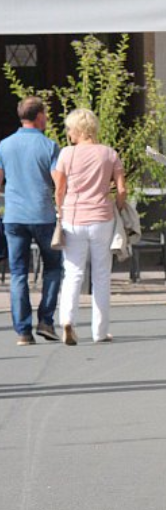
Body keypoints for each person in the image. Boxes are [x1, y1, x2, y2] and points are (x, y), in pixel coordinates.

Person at [53, 108, 126, 345]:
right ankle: (100, 331)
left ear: (78, 129)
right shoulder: (109, 154)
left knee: (73, 273)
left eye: (70, 128)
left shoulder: (66, 154)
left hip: (73, 218)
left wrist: (60, 209)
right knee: (101, 275)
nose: (68, 133)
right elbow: (122, 190)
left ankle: (67, 320)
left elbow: (60, 189)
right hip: (102, 218)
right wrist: (120, 208)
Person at [0, 96, 62, 346]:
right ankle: (46, 320)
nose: (46, 119)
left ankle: (23, 331)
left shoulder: (4, 145)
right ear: (38, 117)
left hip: (14, 216)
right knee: (54, 268)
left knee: (17, 273)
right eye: (45, 115)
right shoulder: (49, 146)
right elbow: (59, 183)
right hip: (43, 214)